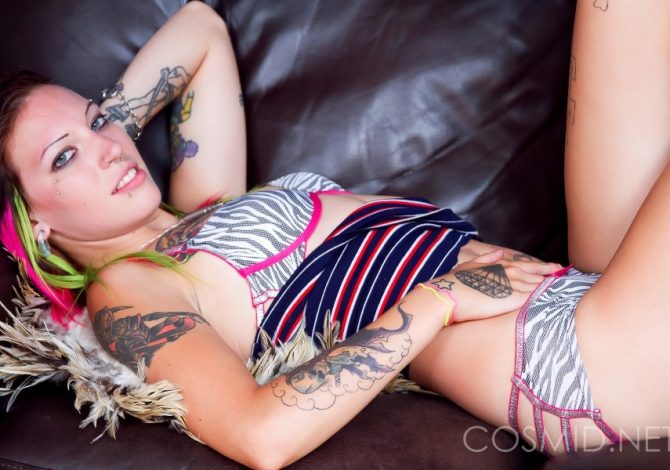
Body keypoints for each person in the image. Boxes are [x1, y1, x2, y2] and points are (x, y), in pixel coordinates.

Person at [0, 1, 666, 466]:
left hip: (590, 286)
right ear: (33, 226)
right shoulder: (127, 287)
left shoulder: (203, 207)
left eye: (99, 122)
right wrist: (440, 299)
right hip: (579, 363)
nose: (108, 147)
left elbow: (201, 30)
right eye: (63, 159)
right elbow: (259, 434)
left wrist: (96, 128)